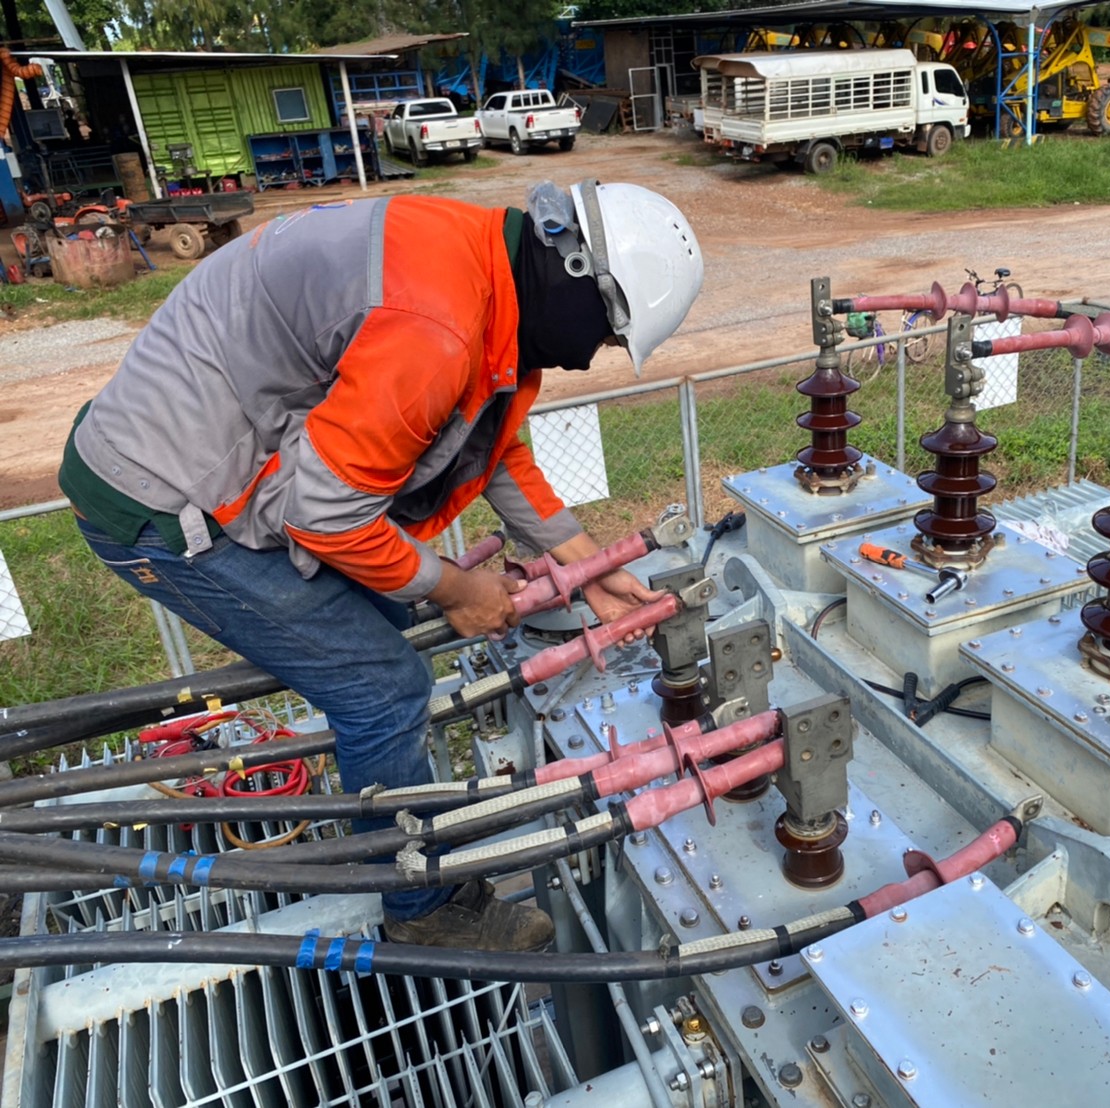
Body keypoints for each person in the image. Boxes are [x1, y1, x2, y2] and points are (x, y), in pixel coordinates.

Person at [56, 181, 704, 950]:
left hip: (216, 455)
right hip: (159, 503)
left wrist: (588, 565)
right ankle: (421, 909)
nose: (592, 357)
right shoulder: (437, 326)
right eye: (608, 337)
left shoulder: (481, 267)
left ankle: (399, 806)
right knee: (383, 686)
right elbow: (324, 516)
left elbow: (492, 447)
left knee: (391, 613)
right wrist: (457, 589)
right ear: (577, 280)